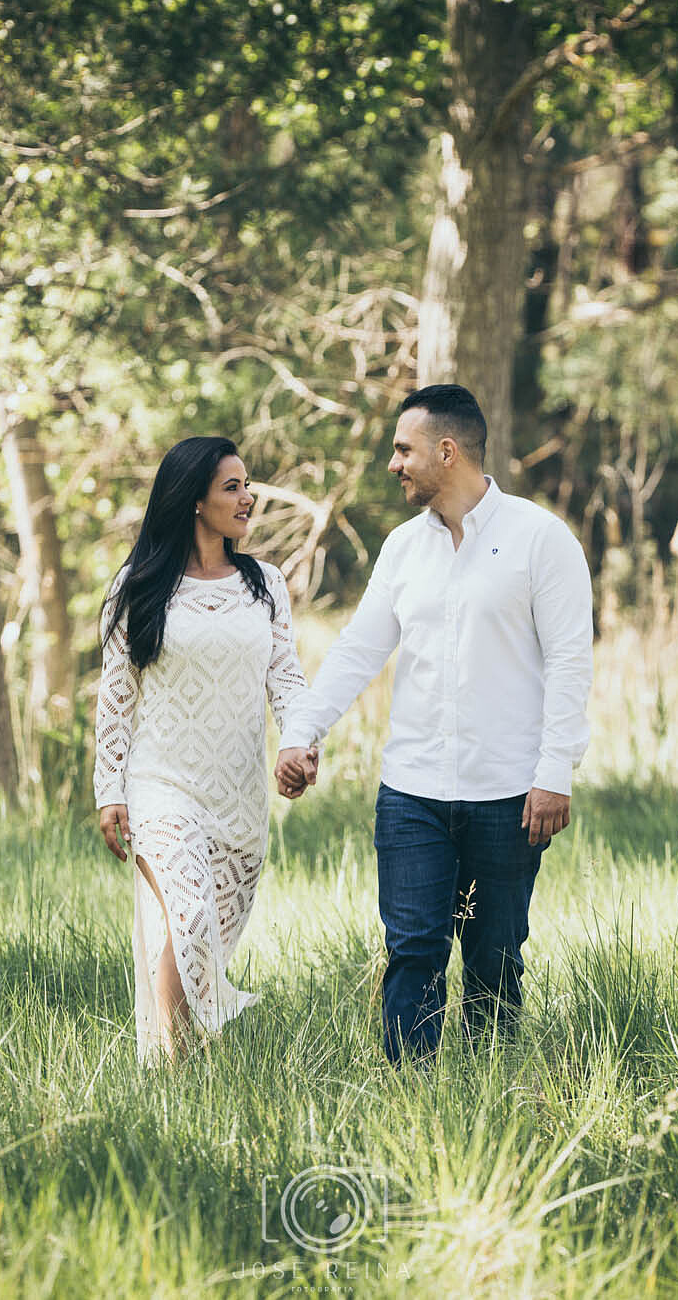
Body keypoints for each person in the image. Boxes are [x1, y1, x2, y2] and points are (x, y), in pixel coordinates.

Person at [275, 385, 593, 1063]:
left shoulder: (541, 540)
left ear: (446, 452)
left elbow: (570, 661)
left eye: (403, 449)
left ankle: (487, 1098)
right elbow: (360, 649)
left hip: (509, 796)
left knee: (495, 962)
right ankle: (409, 1103)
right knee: (413, 950)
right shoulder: (401, 549)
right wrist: (303, 731)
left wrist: (554, 772)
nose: (394, 463)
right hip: (413, 792)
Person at [93, 436, 308, 1064]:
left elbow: (287, 678)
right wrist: (110, 792)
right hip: (161, 787)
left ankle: (177, 1071)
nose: (248, 497)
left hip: (238, 799)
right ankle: (182, 1067)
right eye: (232, 487)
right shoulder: (138, 586)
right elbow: (115, 699)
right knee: (188, 922)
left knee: (195, 941)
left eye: (248, 484)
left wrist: (298, 742)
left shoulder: (264, 585)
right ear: (194, 501)